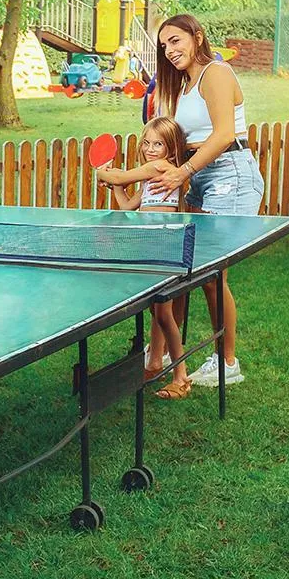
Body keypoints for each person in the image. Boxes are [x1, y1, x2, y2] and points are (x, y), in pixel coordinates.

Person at [104, 14, 264, 387]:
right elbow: (172, 141)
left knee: (212, 274)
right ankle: (159, 353)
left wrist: (183, 171)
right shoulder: (184, 85)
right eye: (164, 46)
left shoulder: (216, 74)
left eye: (176, 41)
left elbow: (224, 134)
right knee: (182, 266)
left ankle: (226, 363)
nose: (170, 51)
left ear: (197, 36)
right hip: (197, 173)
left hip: (230, 174)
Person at [98, 116, 193, 399]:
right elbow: (128, 206)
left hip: (165, 247)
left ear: (171, 150)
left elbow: (117, 176)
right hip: (149, 247)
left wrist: (103, 173)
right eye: (147, 143)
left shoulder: (160, 167)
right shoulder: (149, 179)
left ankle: (181, 376)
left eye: (158, 144)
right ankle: (155, 362)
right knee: (157, 311)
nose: (151, 149)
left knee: (164, 313)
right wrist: (116, 187)